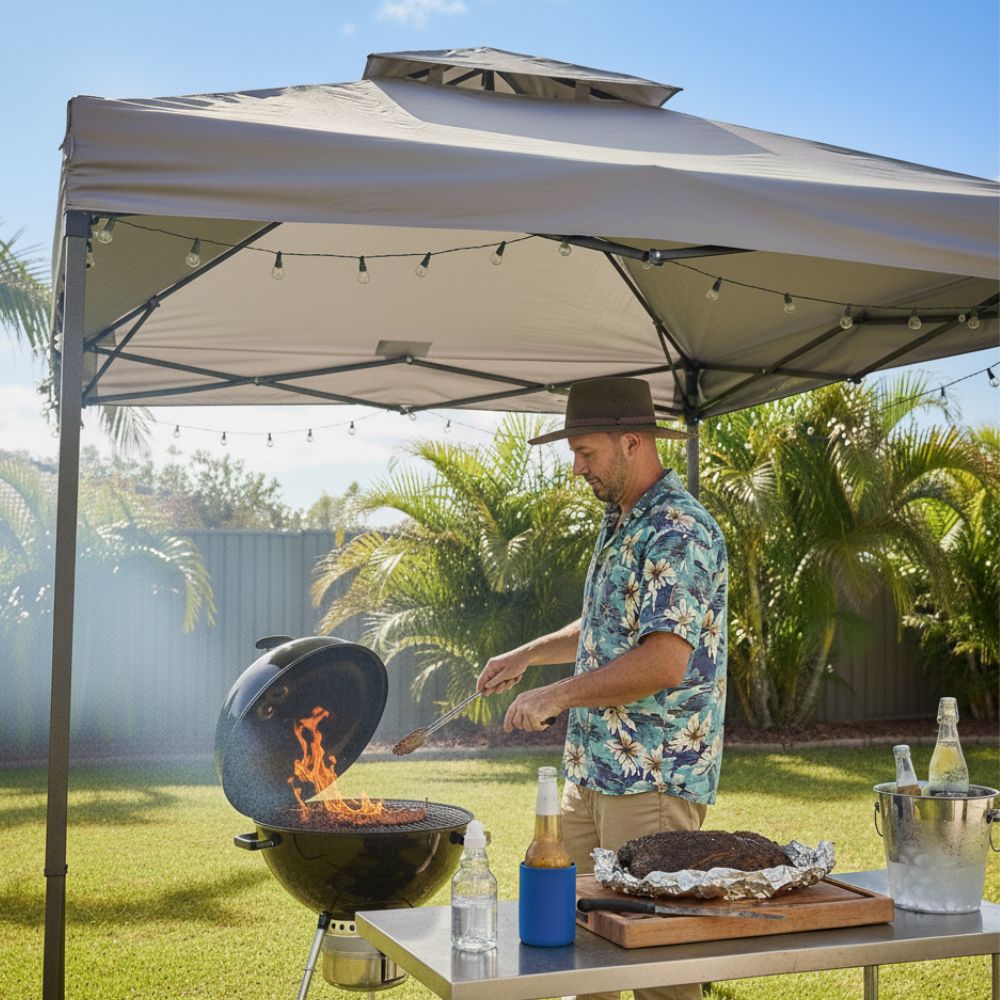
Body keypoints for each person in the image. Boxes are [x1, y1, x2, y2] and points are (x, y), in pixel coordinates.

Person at [477, 376, 727, 1000]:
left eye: (586, 454)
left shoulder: (679, 530)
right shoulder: (622, 523)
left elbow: (664, 661)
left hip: (650, 782)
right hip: (590, 776)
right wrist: (528, 656)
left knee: (656, 974)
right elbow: (608, 626)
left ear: (632, 442)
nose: (577, 469)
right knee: (580, 958)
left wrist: (555, 696)